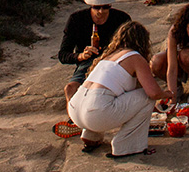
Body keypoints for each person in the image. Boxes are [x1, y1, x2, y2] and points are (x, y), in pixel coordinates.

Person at [67, 20, 174, 157]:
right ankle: (126, 146)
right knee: (146, 97)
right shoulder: (135, 57)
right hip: (96, 113)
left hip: (75, 110)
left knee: (103, 99)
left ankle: (91, 135)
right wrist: (167, 94)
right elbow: (152, 93)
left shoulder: (108, 56)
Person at [58, 0, 131, 101]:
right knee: (70, 89)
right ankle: (72, 118)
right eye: (97, 7)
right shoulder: (76, 20)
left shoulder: (121, 19)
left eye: (105, 7)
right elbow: (63, 55)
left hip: (114, 62)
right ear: (91, 5)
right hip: (88, 62)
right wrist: (81, 56)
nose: (101, 11)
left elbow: (131, 48)